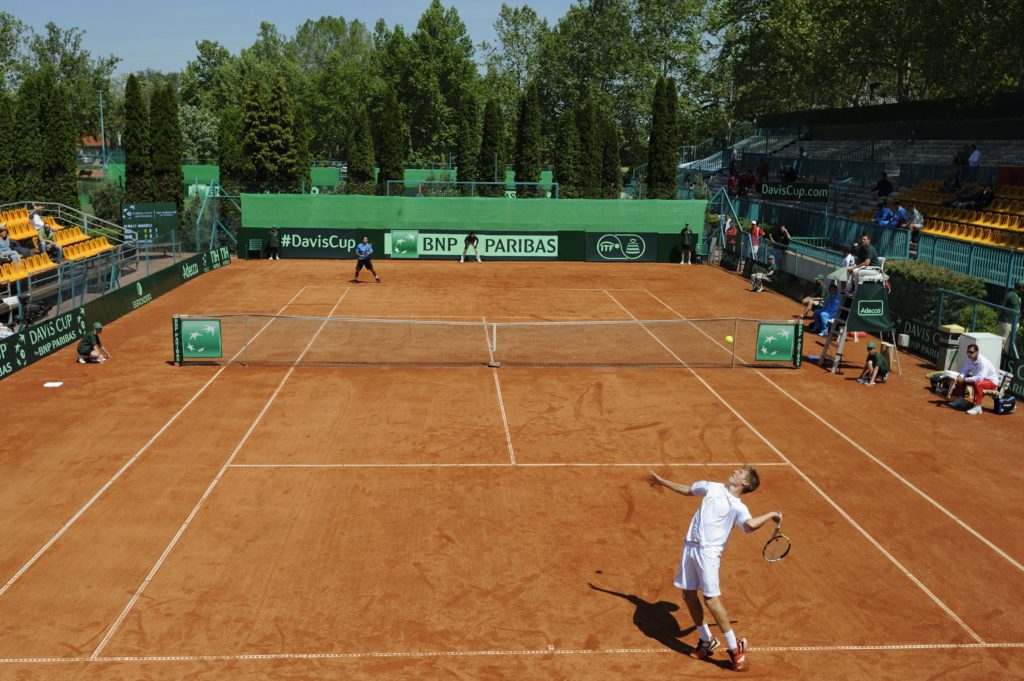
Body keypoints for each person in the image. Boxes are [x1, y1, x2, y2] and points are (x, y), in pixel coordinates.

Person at [648, 467, 781, 673]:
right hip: (690, 546)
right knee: (688, 593)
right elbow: (688, 490)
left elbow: (750, 525)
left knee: (710, 599)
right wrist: (663, 482)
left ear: (745, 483)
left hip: (708, 553)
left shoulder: (738, 506)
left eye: (740, 472)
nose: (735, 471)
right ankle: (706, 640)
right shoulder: (711, 487)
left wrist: (772, 514)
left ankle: (734, 648)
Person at [949, 344, 1000, 415]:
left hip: (992, 382)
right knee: (962, 379)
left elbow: (980, 378)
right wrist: (961, 377)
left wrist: (964, 379)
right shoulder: (969, 360)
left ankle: (978, 407)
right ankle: (961, 400)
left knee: (977, 383)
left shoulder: (983, 362)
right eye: (967, 352)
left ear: (977, 352)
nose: (969, 354)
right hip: (981, 380)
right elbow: (965, 369)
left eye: (971, 352)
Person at [998, 279, 1023, 356]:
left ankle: (1006, 358)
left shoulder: (1020, 296)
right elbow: (1000, 308)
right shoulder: (1010, 294)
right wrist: (998, 319)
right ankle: (1000, 358)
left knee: (1010, 344)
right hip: (1006, 323)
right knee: (1003, 342)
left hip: (1015, 323)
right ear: (1021, 288)